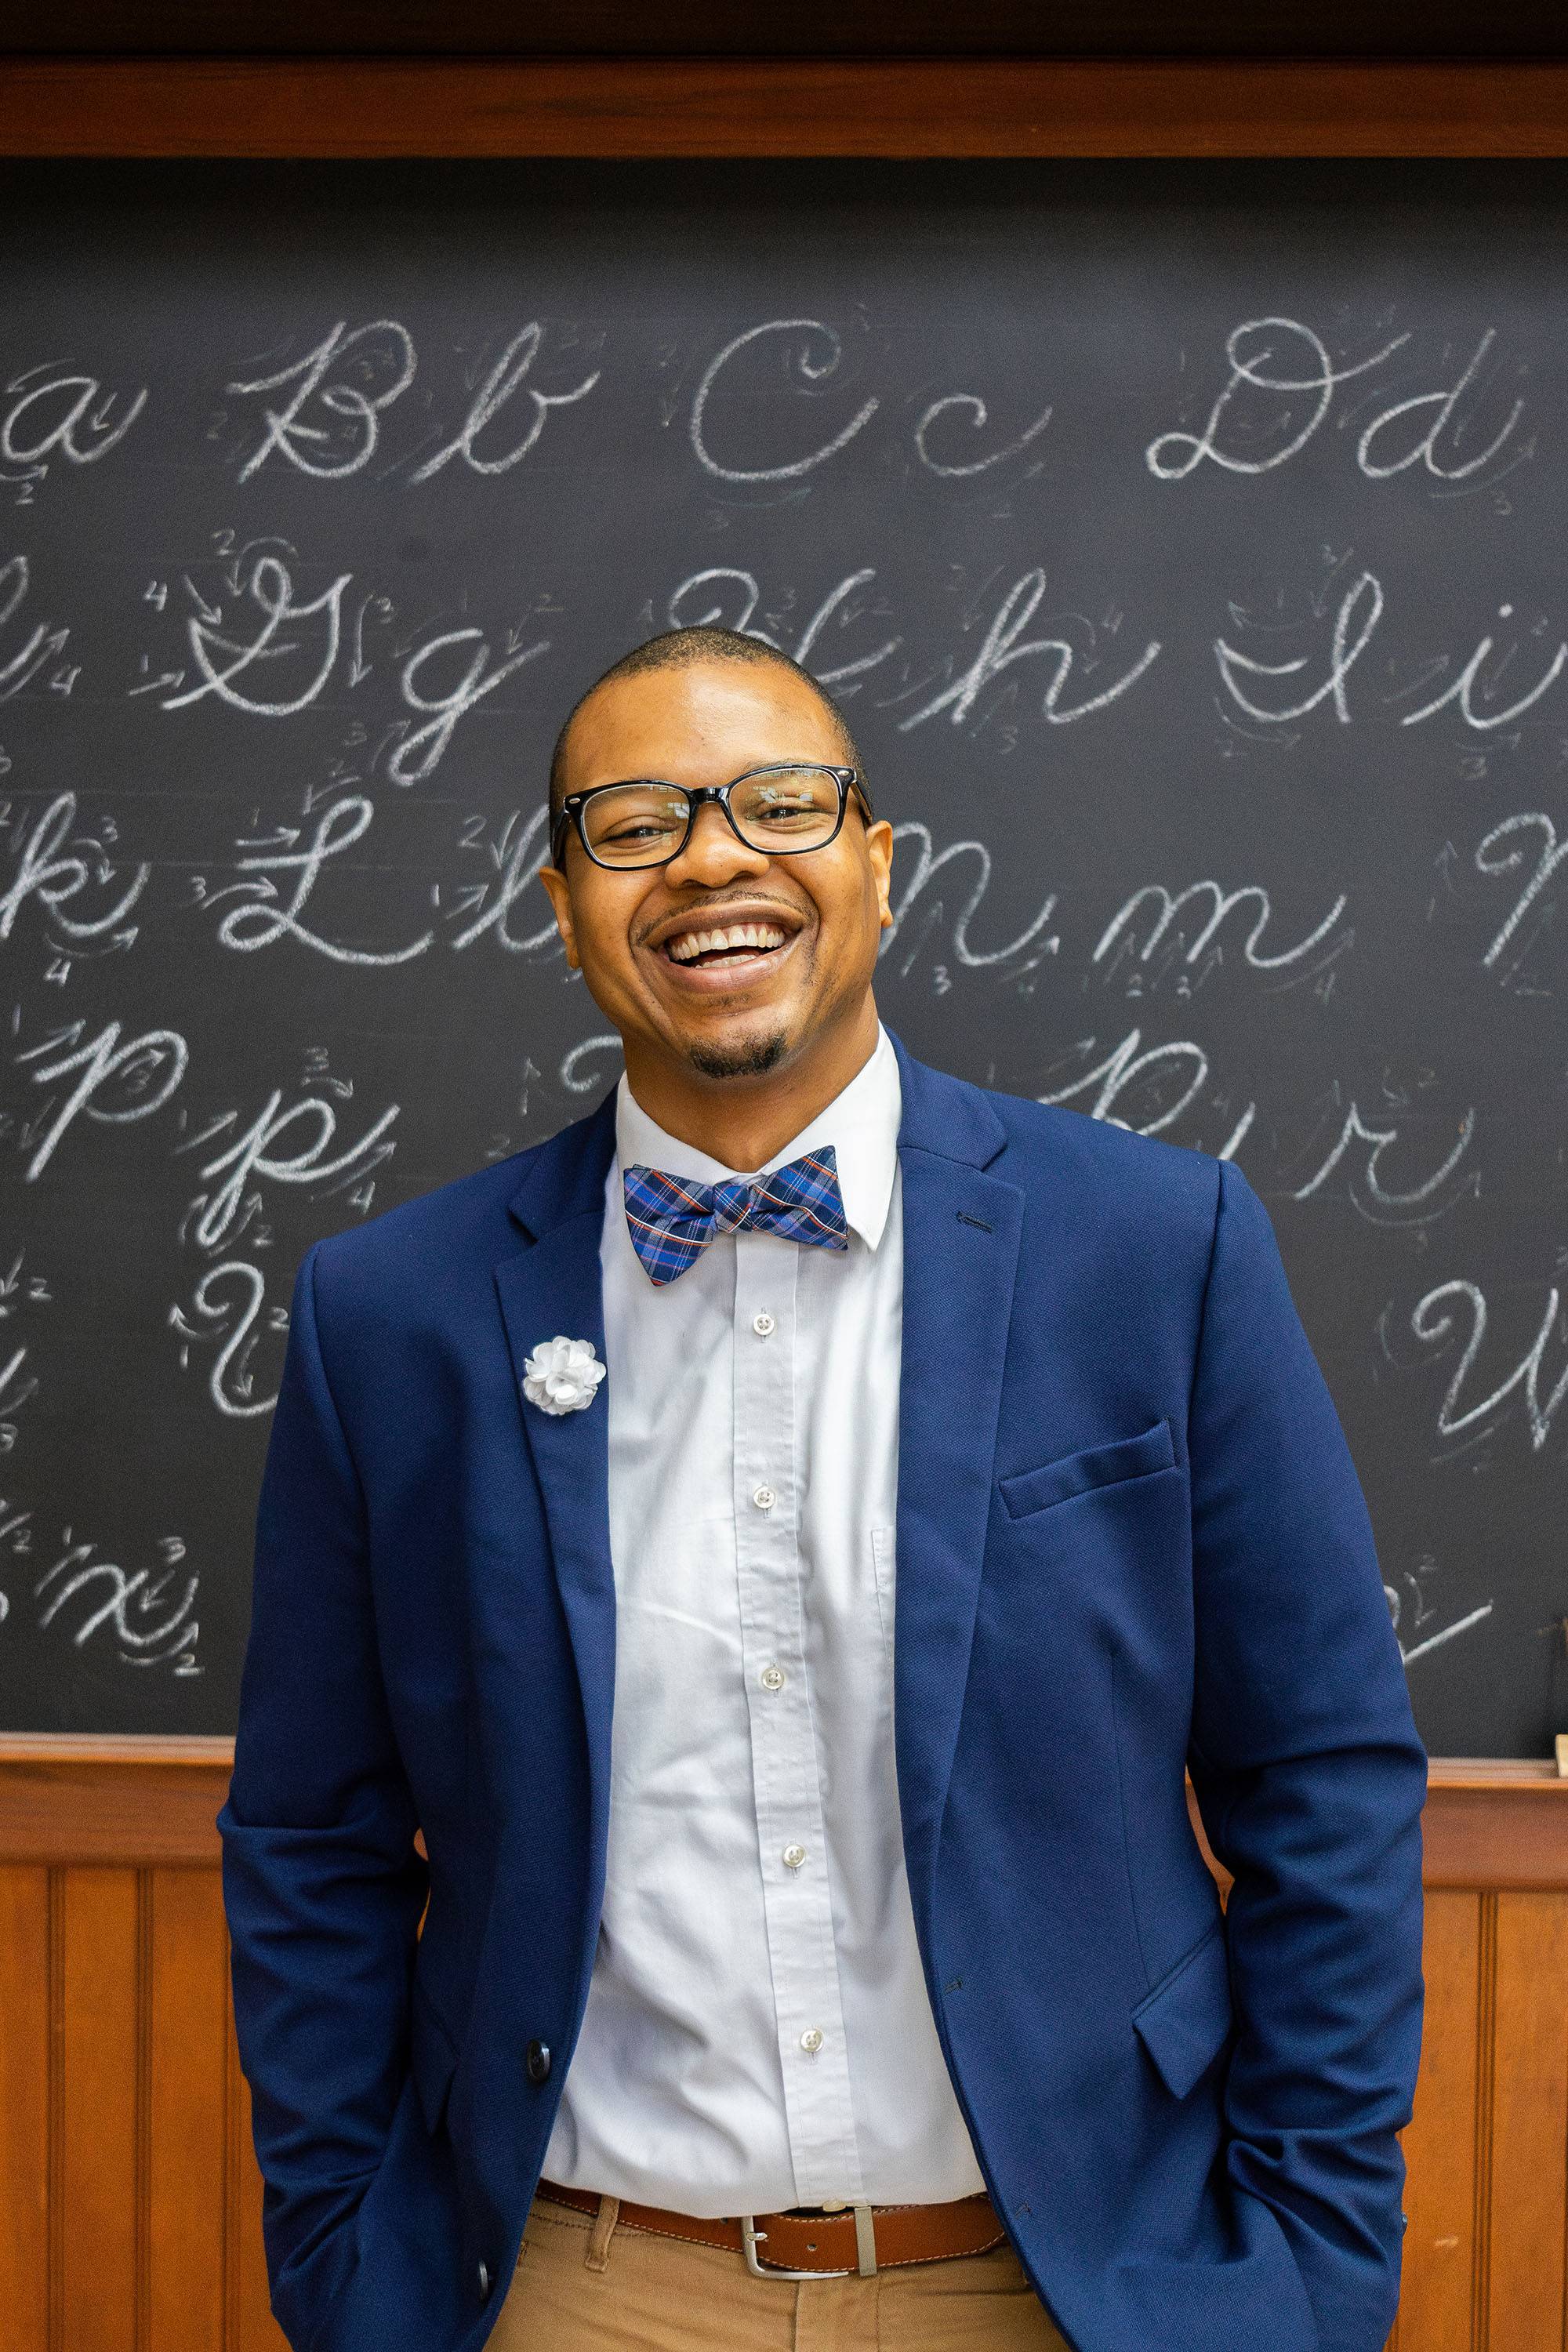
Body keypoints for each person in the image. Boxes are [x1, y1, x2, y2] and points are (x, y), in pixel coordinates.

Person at [218, 625, 1426, 2352]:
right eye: (631, 825)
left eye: (778, 805)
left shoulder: (1157, 1250)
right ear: (562, 908)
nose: (711, 857)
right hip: (577, 2287)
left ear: (876, 866)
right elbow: (312, 1838)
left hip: (1078, 2288)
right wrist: (353, 2267)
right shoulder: (390, 1316)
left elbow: (1317, 1779)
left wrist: (1306, 2268)